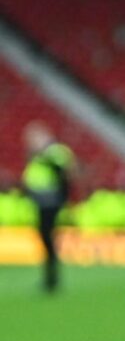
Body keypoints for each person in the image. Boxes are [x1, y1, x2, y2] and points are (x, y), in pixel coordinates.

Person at [18, 121, 76, 294]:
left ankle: (52, 278)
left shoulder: (54, 151)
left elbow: (63, 171)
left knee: (47, 236)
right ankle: (50, 277)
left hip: (51, 201)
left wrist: (43, 157)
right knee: (45, 237)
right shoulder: (37, 155)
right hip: (40, 201)